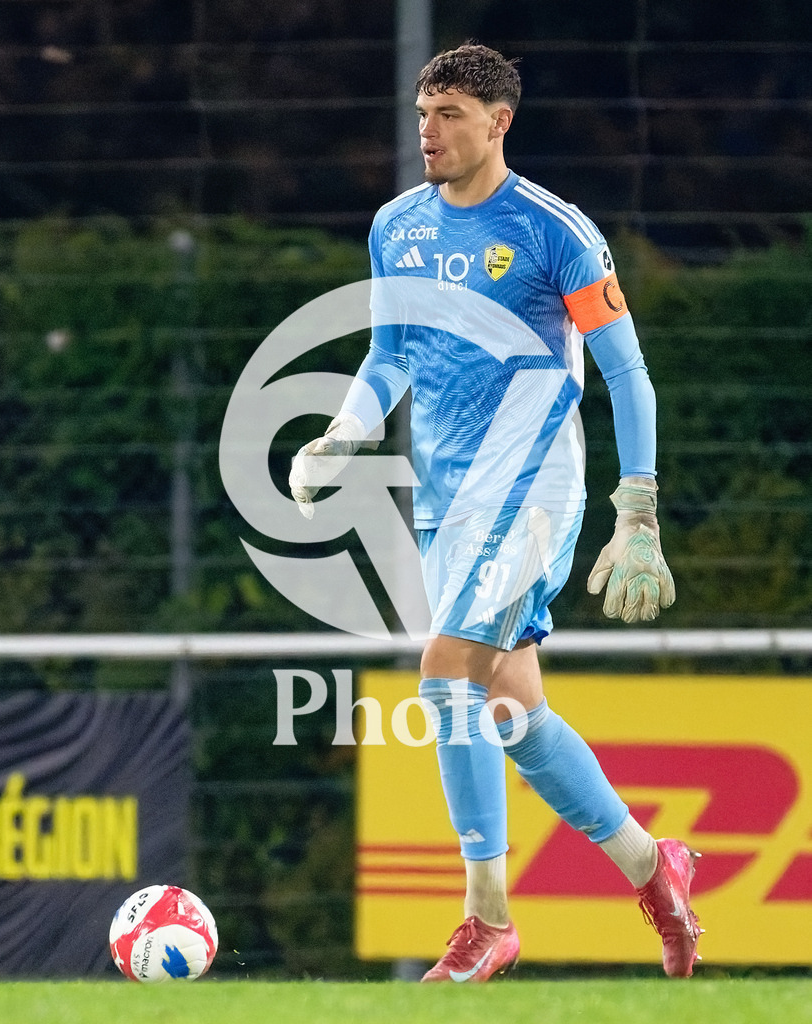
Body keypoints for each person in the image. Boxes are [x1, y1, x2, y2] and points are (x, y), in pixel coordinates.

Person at [289, 43, 701, 981]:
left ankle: (488, 918)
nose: (427, 133)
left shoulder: (555, 231)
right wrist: (343, 434)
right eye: (421, 114)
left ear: (497, 121)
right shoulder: (396, 227)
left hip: (532, 496)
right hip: (441, 502)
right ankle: (651, 864)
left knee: (444, 675)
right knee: (513, 711)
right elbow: (388, 354)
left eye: (447, 115)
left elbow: (626, 373)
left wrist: (634, 508)